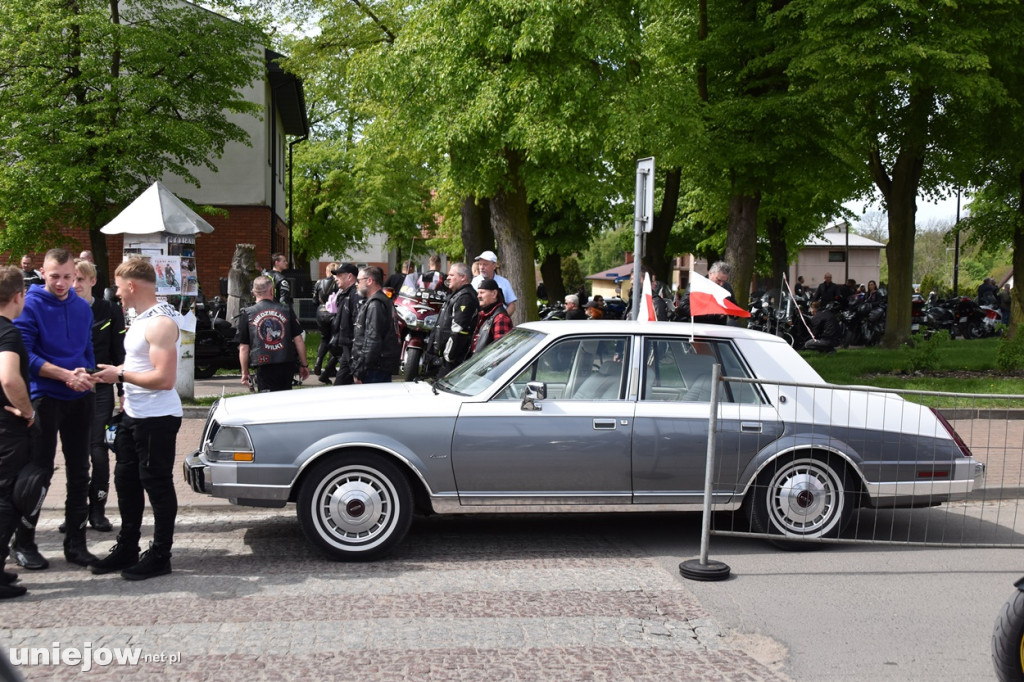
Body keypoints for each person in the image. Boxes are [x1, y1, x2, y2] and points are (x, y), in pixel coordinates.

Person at [90, 259, 183, 580]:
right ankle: (127, 546)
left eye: (118, 286)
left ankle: (160, 554)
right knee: (125, 479)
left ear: (131, 285)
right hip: (134, 414)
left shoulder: (160, 323)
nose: (116, 293)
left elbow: (165, 379)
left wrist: (119, 374)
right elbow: (138, 367)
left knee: (156, 483)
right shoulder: (142, 318)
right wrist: (116, 383)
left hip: (158, 417)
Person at [11, 248, 96, 570]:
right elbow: (25, 355)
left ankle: (76, 543)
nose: (61, 283)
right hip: (44, 397)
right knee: (38, 471)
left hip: (79, 396)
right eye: (54, 276)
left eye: (67, 277)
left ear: (76, 275)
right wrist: (62, 374)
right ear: (43, 274)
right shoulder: (29, 305)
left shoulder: (81, 307)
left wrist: (84, 373)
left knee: (80, 472)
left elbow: (86, 349)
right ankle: (24, 542)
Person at [73, 259, 125, 533]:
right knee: (75, 452)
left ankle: (98, 510)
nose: (75, 285)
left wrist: (123, 390)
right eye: (73, 279)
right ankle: (75, 512)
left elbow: (120, 353)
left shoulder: (109, 310)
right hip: (68, 388)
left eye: (81, 279)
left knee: (98, 449)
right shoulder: (61, 308)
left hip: (101, 388)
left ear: (93, 281)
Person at [0, 267, 36, 598]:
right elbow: (9, 378)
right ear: (18, 296)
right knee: (7, 498)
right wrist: (27, 409)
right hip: (7, 433)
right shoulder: (8, 333)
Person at [237, 276, 309, 393]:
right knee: (285, 400)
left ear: (254, 292)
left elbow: (244, 347)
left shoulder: (248, 313)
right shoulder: (286, 309)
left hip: (264, 366)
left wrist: (245, 372)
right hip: (286, 363)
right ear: (272, 291)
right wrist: (304, 365)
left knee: (267, 402)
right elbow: (299, 340)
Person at [427, 263, 479, 377]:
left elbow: (459, 331)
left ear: (463, 277)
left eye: (451, 275)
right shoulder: (456, 295)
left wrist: (448, 358)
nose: (447, 278)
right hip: (443, 360)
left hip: (453, 363)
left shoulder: (466, 297)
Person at [350, 266, 401, 384]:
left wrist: (360, 370)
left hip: (374, 369)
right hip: (377, 367)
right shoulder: (381, 301)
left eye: (359, 280)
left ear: (369, 280)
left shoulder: (375, 304)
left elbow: (372, 340)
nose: (356, 284)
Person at [322, 264, 361, 386]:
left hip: (353, 349)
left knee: (342, 386)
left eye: (339, 275)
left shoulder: (355, 295)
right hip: (345, 349)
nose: (335, 278)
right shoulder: (343, 294)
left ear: (349, 277)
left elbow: (358, 324)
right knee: (341, 386)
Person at [471, 279, 512, 354]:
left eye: (482, 292)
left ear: (494, 294)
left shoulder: (500, 318)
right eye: (478, 293)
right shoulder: (482, 315)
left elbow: (501, 351)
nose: (478, 296)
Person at [312, 263, 339, 376]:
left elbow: (314, 300)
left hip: (320, 312)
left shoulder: (319, 282)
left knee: (324, 338)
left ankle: (318, 362)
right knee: (334, 339)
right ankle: (330, 367)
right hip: (333, 312)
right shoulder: (338, 283)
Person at [472, 251, 517, 317]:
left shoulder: (504, 282)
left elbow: (511, 304)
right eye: (480, 264)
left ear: (494, 265)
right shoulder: (474, 282)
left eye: (485, 264)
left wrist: (502, 317)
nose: (481, 267)